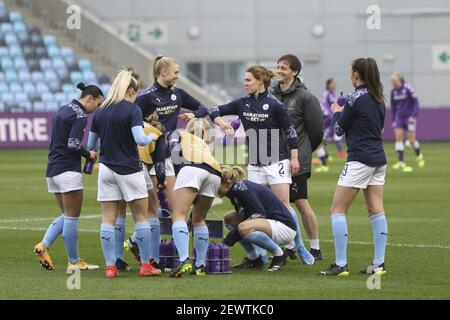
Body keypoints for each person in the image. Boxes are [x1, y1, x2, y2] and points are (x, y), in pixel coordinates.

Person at [210, 65, 314, 265]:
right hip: (256, 163)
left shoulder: (274, 105)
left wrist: (294, 158)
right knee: (253, 209)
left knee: (283, 205)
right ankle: (259, 256)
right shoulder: (242, 103)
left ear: (261, 81)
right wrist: (220, 122)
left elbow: (290, 131)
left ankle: (297, 245)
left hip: (277, 160)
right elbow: (214, 110)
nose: (245, 83)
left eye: (248, 80)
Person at [87, 70, 161, 279]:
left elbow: (91, 145)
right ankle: (145, 265)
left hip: (107, 170)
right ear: (130, 91)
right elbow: (139, 139)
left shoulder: (100, 111)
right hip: (129, 169)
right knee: (141, 217)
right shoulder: (132, 110)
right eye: (135, 92)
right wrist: (151, 136)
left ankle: (110, 267)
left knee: (107, 220)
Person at [319, 58, 388, 276]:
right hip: (379, 158)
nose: (349, 74)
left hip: (359, 158)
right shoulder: (379, 96)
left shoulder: (356, 97)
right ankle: (378, 264)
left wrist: (337, 111)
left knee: (337, 210)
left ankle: (340, 265)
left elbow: (338, 128)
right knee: (376, 210)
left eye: (350, 71)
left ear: (356, 74)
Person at [34, 82, 103, 272]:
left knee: (66, 215)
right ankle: (74, 261)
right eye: (96, 104)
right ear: (89, 98)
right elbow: (73, 144)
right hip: (68, 170)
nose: (95, 110)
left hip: (53, 170)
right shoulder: (80, 115)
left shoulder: (64, 109)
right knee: (72, 217)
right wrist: (88, 154)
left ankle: (43, 245)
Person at [135, 55, 210, 212]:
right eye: (175, 72)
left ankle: (167, 235)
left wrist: (194, 115)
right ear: (163, 72)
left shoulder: (178, 94)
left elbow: (204, 108)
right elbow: (131, 120)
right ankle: (150, 236)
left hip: (168, 154)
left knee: (171, 206)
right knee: (154, 207)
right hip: (149, 155)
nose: (177, 76)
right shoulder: (147, 96)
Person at [272, 54, 324, 260]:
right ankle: (289, 247)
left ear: (294, 72)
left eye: (284, 68)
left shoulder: (305, 97)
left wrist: (303, 153)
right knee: (279, 204)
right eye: (278, 67)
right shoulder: (272, 94)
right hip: (274, 158)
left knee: (301, 202)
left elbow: (317, 130)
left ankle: (315, 247)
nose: (279, 71)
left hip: (296, 159)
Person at [168, 118, 221, 277]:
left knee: (178, 215)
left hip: (191, 168)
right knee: (199, 219)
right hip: (214, 172)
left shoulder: (180, 134)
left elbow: (174, 152)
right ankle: (200, 265)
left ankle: (184, 258)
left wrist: (179, 176)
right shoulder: (207, 144)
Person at [220, 166, 297, 272]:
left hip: (284, 227)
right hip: (271, 223)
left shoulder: (242, 189)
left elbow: (259, 214)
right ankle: (254, 259)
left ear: (227, 183)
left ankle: (280, 255)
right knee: (230, 218)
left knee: (243, 227)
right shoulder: (235, 189)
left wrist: (227, 241)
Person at [122, 114, 167, 271]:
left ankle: (115, 262)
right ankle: (151, 260)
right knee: (151, 211)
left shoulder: (136, 128)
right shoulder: (157, 137)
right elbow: (159, 168)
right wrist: (161, 184)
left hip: (114, 167)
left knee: (115, 214)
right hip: (137, 168)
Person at [390, 73, 425, 172]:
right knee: (399, 138)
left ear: (399, 79)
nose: (392, 82)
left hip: (409, 118)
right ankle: (401, 162)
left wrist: (414, 116)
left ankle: (419, 155)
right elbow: (393, 107)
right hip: (399, 118)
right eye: (391, 80)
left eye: (393, 80)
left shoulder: (408, 88)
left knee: (411, 141)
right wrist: (393, 120)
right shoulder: (393, 92)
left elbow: (416, 102)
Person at [315, 78, 347, 173]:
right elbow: (324, 106)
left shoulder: (332, 94)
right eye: (332, 84)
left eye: (334, 83)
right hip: (328, 119)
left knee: (321, 140)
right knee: (323, 140)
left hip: (330, 118)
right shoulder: (327, 94)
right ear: (328, 85)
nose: (334, 85)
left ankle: (324, 160)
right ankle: (325, 157)